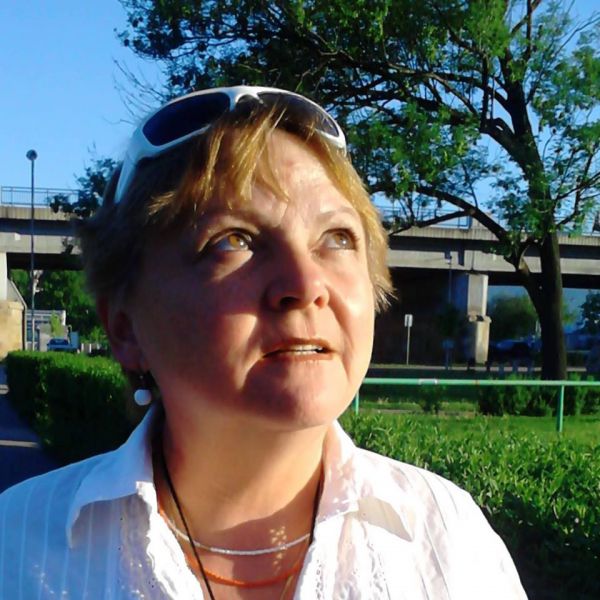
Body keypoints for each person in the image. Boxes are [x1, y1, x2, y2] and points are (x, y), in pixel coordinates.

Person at [0, 86, 527, 599]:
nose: (306, 284)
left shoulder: (451, 539)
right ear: (125, 329)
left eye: (337, 237)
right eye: (233, 240)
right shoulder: (15, 548)